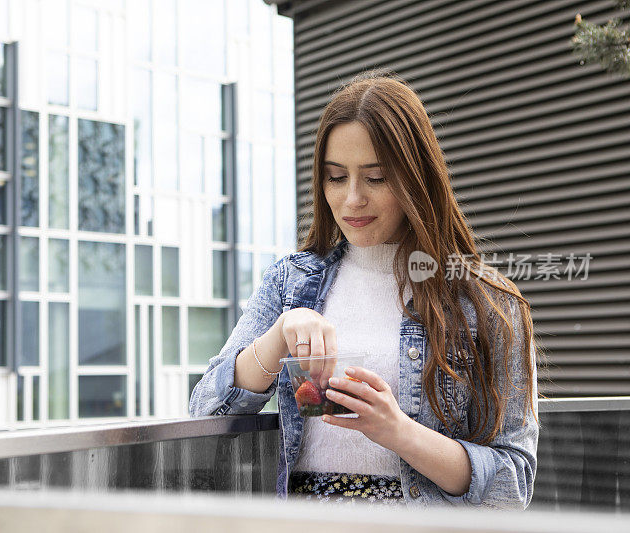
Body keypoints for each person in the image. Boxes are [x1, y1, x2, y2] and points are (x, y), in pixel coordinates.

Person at [189, 70, 540, 509]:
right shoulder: (290, 284)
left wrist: (399, 432)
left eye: (375, 178)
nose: (352, 199)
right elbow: (205, 410)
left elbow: (512, 485)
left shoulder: (487, 305)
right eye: (336, 177)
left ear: (416, 179)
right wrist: (279, 335)